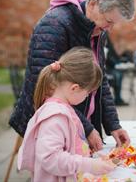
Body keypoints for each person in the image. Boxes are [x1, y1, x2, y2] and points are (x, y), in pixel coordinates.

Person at [9, 0, 136, 152]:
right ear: (93, 4)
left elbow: (99, 80)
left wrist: (113, 124)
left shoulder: (98, 30)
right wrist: (87, 128)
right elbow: (47, 87)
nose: (109, 28)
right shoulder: (54, 25)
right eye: (109, 21)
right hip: (52, 125)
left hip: (78, 124)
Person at [17, 47, 116, 181]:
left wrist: (85, 152)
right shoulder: (55, 116)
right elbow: (50, 158)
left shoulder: (64, 108)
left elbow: (68, 146)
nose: (86, 97)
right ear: (74, 88)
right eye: (87, 93)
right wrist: (89, 165)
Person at [105, 35, 128, 106]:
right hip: (105, 69)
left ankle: (118, 98)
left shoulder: (106, 37)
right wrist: (115, 64)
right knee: (117, 75)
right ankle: (117, 98)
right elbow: (108, 57)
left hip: (109, 67)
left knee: (119, 74)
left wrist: (119, 62)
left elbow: (112, 53)